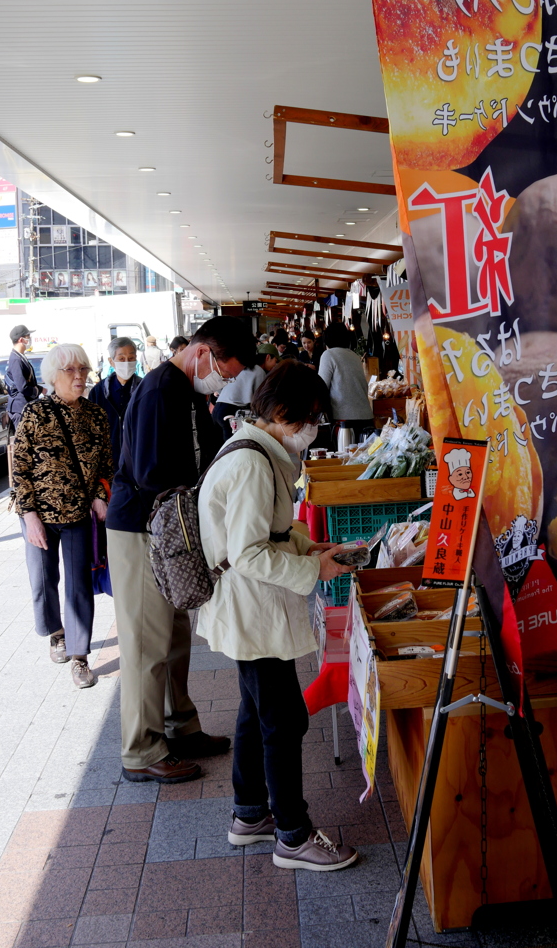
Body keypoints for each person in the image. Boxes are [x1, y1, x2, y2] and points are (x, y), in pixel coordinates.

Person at [197, 360, 358, 871]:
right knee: (283, 720)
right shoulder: (251, 462)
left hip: (250, 606)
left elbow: (267, 534)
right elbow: (247, 553)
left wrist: (312, 549)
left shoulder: (257, 451)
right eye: (310, 418)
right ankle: (292, 834)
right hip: (251, 608)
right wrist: (312, 571)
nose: (313, 429)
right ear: (284, 413)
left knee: (256, 711)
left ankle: (249, 814)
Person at [106, 316, 257, 784]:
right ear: (201, 354)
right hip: (142, 528)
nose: (223, 382)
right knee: (145, 643)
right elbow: (152, 471)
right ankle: (141, 748)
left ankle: (180, 726)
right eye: (223, 372)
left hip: (169, 527)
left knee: (173, 636)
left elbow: (209, 449)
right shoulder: (158, 390)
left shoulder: (187, 390)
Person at [12, 344, 113, 689]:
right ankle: (56, 633)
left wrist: (100, 496)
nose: (80, 376)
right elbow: (20, 467)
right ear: (53, 377)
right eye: (70, 370)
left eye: (83, 369)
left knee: (78, 586)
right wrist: (28, 516)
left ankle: (80, 655)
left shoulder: (96, 416)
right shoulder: (34, 414)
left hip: (77, 516)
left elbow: (107, 466)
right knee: (42, 582)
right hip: (39, 514)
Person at [88, 337, 142, 472]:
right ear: (111, 361)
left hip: (137, 458)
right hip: (109, 461)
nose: (127, 363)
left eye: (131, 358)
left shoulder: (144, 389)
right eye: (121, 359)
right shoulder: (99, 391)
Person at [318, 322, 374, 442]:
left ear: (327, 338)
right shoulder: (354, 356)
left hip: (344, 420)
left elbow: (321, 387)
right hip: (367, 417)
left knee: (345, 458)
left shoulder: (328, 355)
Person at [212, 355, 268, 443]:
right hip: (232, 412)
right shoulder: (259, 371)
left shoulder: (237, 367)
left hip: (218, 408)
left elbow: (219, 389)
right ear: (267, 358)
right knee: (231, 448)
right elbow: (259, 400)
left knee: (218, 449)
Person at [5, 325, 40, 431]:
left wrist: (42, 389)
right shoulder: (16, 359)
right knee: (24, 443)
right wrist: (37, 390)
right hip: (20, 407)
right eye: (28, 336)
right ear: (21, 339)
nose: (29, 339)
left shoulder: (20, 356)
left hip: (24, 407)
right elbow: (22, 387)